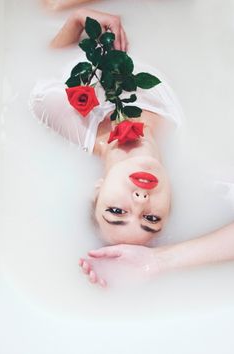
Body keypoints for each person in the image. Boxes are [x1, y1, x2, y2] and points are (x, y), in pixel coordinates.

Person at [30, 8, 234, 288]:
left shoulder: (70, 122)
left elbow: (40, 63)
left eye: (116, 211)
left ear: (98, 189)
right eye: (151, 218)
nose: (139, 200)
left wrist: (78, 19)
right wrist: (159, 261)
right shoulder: (202, 150)